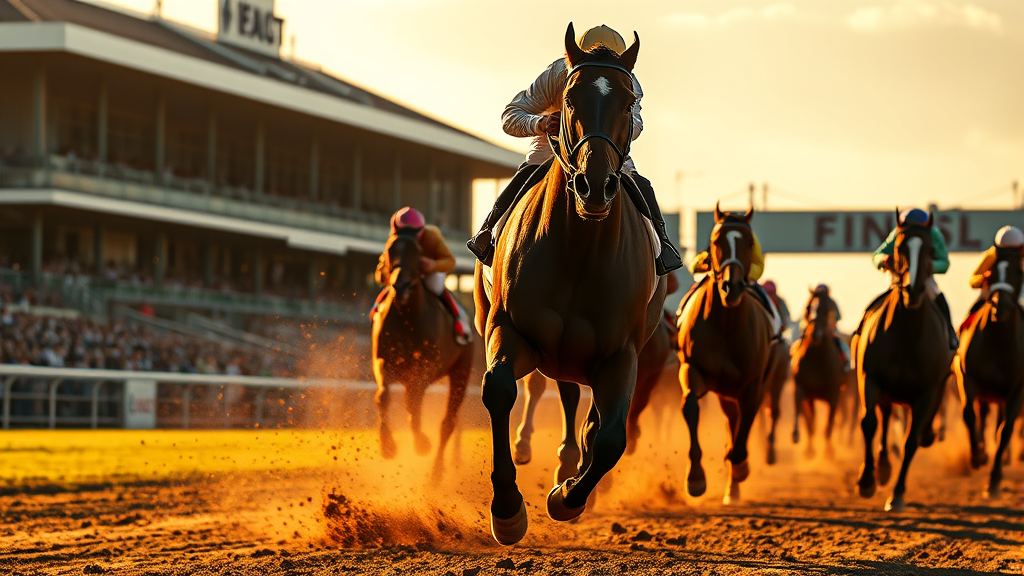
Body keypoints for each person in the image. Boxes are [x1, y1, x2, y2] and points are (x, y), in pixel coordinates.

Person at [466, 25, 682, 276]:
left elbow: (636, 125)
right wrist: (541, 123)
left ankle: (661, 243)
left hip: (605, 147)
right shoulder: (558, 73)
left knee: (640, 184)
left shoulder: (628, 82)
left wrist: (605, 129)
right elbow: (510, 116)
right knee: (527, 175)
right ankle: (488, 231)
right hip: (552, 146)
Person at [854, 208, 957, 349]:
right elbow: (877, 255)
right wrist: (884, 260)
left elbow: (944, 263)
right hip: (900, 277)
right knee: (878, 303)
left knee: (939, 298)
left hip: (924, 277)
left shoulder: (934, 234)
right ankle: (861, 332)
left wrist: (927, 266)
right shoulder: (899, 232)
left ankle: (951, 335)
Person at [371, 207, 471, 345]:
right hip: (407, 273)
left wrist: (433, 265)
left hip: (428, 271)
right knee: (394, 285)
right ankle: (375, 310)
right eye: (402, 233)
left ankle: (459, 318)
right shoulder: (393, 241)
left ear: (421, 230)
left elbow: (450, 261)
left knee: (435, 286)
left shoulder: (431, 237)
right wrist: (384, 275)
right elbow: (384, 264)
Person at [676, 230, 783, 336]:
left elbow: (759, 265)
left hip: (743, 281)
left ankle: (775, 332)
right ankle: (679, 324)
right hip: (715, 279)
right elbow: (694, 267)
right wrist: (705, 263)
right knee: (689, 298)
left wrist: (740, 273)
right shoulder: (717, 234)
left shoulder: (748, 235)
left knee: (768, 304)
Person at [960, 225, 1024, 333]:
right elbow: (973, 280)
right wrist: (983, 278)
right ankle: (958, 338)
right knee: (972, 314)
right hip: (990, 294)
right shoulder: (992, 254)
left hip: (1019, 292)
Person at [800, 283, 851, 370]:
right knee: (798, 346)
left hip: (829, 330)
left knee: (842, 346)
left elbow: (835, 319)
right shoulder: (811, 302)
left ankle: (846, 363)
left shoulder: (831, 303)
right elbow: (805, 317)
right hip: (811, 330)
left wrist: (828, 329)